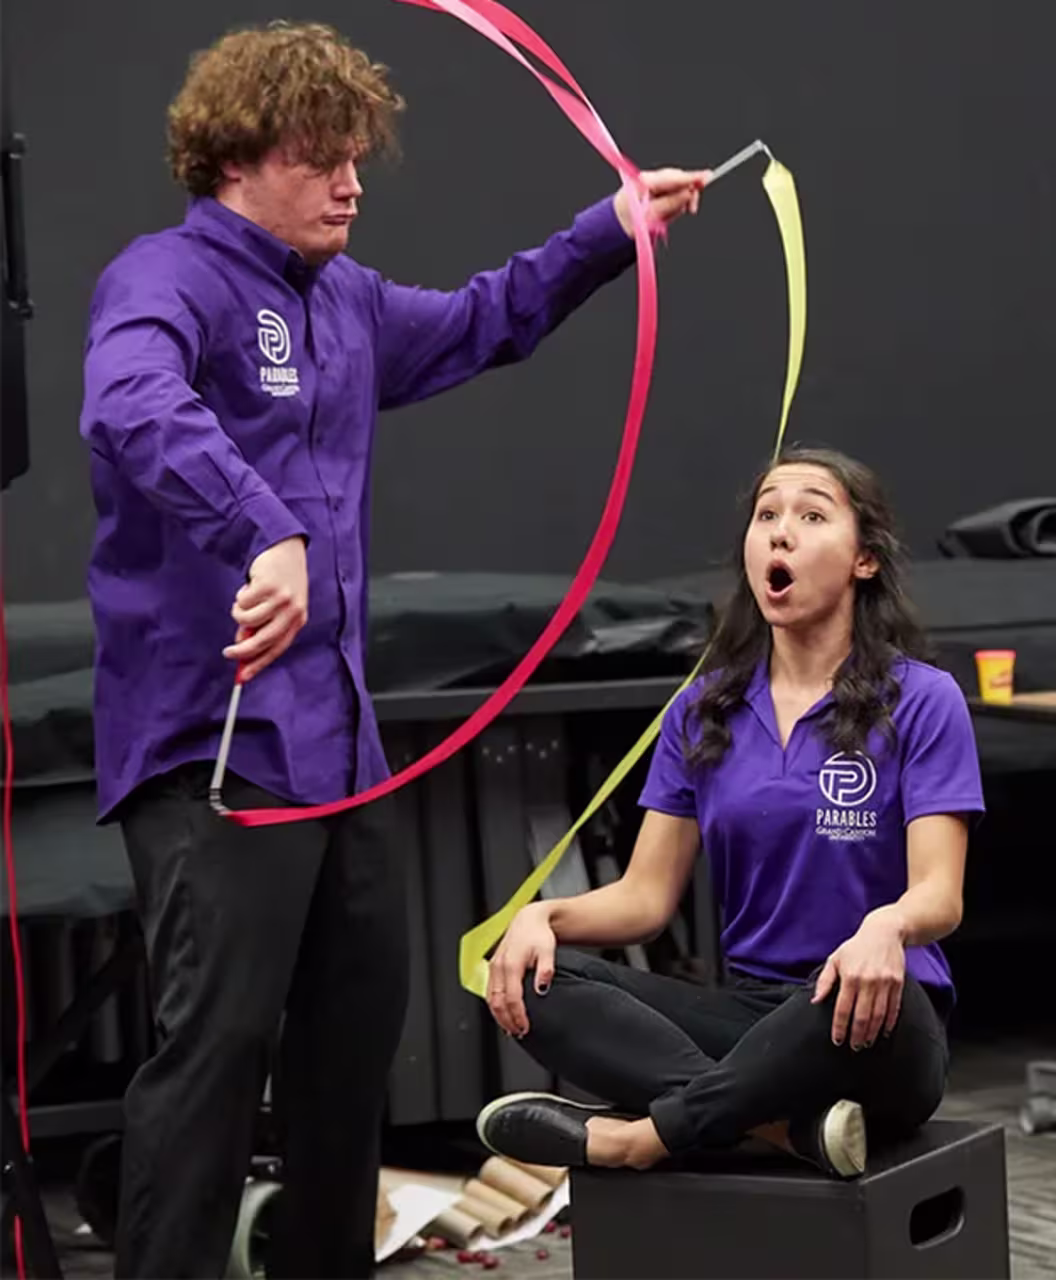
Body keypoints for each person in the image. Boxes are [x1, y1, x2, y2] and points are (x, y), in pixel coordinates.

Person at [81, 20, 707, 1279]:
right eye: (324, 157)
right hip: (218, 750)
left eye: (359, 157)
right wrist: (265, 529)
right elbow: (129, 401)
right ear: (238, 158)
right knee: (212, 1061)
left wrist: (610, 229)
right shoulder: (165, 278)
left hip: (343, 752)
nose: (353, 182)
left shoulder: (349, 299)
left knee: (351, 1055)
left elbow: (489, 319)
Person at [475, 447, 981, 1179]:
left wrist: (886, 926)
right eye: (767, 515)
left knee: (859, 998)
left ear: (864, 560)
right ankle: (780, 1130)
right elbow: (644, 900)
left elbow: (941, 894)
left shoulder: (923, 699)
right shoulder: (701, 709)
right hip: (749, 1022)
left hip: (877, 1023)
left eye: (811, 515)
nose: (781, 532)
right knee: (531, 979)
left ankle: (642, 1138)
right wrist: (540, 918)